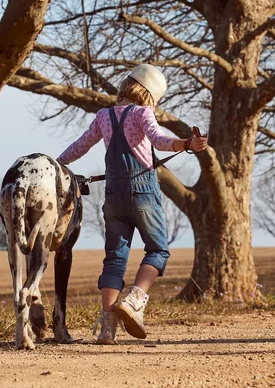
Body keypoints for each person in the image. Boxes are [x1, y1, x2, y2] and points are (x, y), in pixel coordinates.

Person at [57, 64, 207, 344]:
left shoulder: (103, 116)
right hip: (143, 192)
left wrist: (57, 164)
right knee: (158, 250)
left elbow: (80, 146)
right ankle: (135, 300)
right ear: (149, 95)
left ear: (127, 84)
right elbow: (160, 141)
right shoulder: (142, 113)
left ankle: (106, 328)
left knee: (114, 258)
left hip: (113, 195)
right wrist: (187, 143)